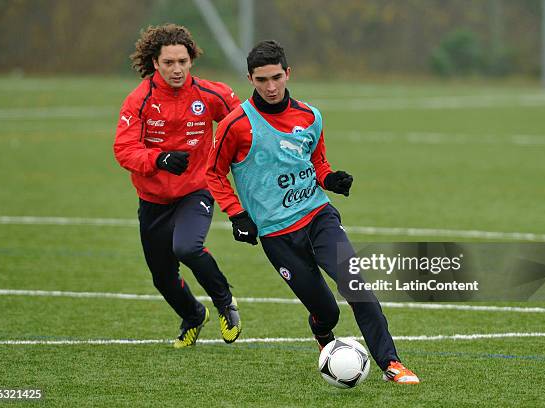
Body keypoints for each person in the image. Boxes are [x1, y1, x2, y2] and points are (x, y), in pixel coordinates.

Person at [206, 40, 419, 384]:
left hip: (319, 217)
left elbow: (317, 161)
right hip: (276, 235)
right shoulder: (236, 125)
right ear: (250, 79)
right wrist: (237, 214)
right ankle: (323, 333)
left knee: (357, 288)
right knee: (326, 312)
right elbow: (212, 173)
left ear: (288, 73)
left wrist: (330, 179)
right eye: (262, 80)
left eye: (277, 77)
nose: (271, 87)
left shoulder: (310, 116)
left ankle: (391, 363)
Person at [114, 24, 241, 348]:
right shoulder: (139, 100)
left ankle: (225, 302)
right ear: (155, 63)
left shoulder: (213, 94)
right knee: (163, 278)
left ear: (191, 61)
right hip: (153, 198)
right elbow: (124, 148)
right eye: (169, 62)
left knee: (186, 246)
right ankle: (194, 315)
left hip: (195, 190)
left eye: (182, 61)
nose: (176, 69)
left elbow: (243, 127)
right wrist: (159, 159)